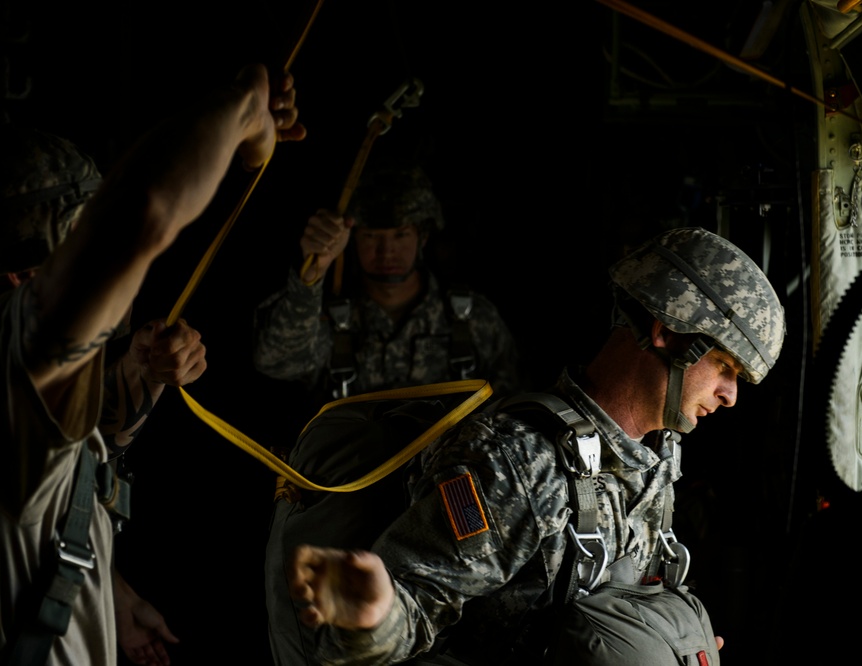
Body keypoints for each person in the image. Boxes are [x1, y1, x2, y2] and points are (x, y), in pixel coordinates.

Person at [286, 226, 786, 665]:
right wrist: (375, 618)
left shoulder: (659, 453)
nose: (730, 395)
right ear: (665, 333)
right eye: (724, 367)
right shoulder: (515, 463)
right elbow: (411, 609)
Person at [0, 63, 305, 665]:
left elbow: (57, 473)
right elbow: (141, 211)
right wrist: (241, 106)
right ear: (27, 275)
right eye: (83, 238)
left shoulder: (27, 384)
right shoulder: (17, 349)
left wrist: (101, 592)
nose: (122, 279)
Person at [251, 163, 524, 409]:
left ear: (423, 237)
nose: (386, 251)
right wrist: (313, 272)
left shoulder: (472, 318)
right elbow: (277, 362)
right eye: (371, 236)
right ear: (352, 240)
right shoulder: (327, 319)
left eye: (401, 234)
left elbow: (513, 407)